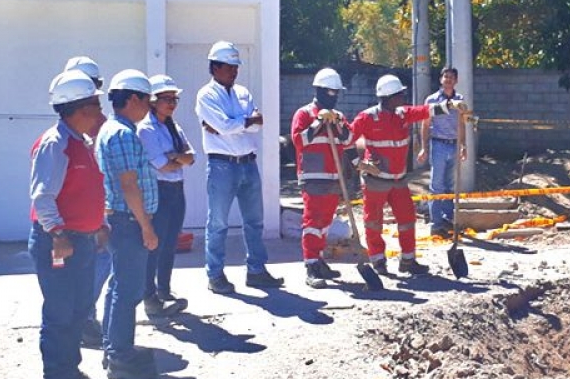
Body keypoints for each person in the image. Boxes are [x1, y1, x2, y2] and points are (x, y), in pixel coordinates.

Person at [28, 69, 109, 379]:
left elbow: (88, 190)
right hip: (59, 243)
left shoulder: (82, 141)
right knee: (60, 315)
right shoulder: (55, 143)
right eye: (95, 104)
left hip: (82, 241)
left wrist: (99, 224)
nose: (99, 112)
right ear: (78, 108)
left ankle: (71, 374)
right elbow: (42, 196)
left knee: (77, 310)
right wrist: (58, 235)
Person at [349, 74, 469, 275]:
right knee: (373, 222)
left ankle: (408, 261)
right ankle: (378, 261)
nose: (403, 98)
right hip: (375, 182)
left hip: (399, 181)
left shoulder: (402, 114)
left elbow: (426, 110)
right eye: (399, 95)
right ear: (387, 97)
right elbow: (346, 140)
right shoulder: (367, 117)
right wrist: (359, 164)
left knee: (407, 219)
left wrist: (452, 106)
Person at [195, 40, 282, 294]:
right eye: (229, 67)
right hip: (222, 165)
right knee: (218, 223)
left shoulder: (243, 92)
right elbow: (224, 126)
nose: (234, 71)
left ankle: (256, 270)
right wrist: (239, 123)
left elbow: (257, 123)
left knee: (254, 221)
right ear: (215, 68)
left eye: (235, 67)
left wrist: (233, 125)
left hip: (247, 163)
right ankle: (215, 274)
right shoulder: (206, 95)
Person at [96, 69, 160, 379]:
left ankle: (113, 349)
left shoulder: (115, 130)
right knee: (128, 289)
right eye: (147, 100)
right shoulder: (121, 134)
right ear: (133, 99)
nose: (150, 107)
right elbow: (129, 184)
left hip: (123, 220)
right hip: (128, 222)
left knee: (119, 286)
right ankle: (120, 355)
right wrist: (146, 227)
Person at [62, 56, 110, 349]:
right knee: (97, 261)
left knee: (98, 261)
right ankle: (81, 320)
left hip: (91, 207)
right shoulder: (70, 128)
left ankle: (82, 318)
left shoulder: (90, 122)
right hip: (80, 212)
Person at [136, 74, 193, 316]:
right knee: (154, 245)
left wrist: (174, 156)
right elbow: (162, 165)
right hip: (159, 190)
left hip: (176, 190)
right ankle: (149, 297)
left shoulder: (174, 127)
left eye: (174, 99)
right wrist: (174, 158)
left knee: (170, 244)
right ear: (152, 101)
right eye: (166, 99)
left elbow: (190, 157)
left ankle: (164, 291)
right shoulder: (146, 129)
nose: (171, 103)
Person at [290, 68, 353, 288]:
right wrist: (318, 123)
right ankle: (311, 265)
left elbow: (348, 139)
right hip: (313, 176)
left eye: (337, 93)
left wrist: (336, 123)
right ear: (319, 91)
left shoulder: (339, 116)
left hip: (334, 176)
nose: (334, 96)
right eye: (330, 92)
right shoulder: (304, 114)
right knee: (312, 222)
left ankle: (320, 259)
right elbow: (299, 141)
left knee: (325, 222)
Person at [418, 67, 467, 236]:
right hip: (438, 145)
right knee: (436, 185)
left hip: (453, 145)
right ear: (441, 79)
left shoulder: (460, 100)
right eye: (445, 77)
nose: (448, 80)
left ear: (456, 80)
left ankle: (448, 220)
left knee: (449, 185)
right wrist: (424, 147)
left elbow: (462, 124)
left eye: (451, 77)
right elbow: (425, 124)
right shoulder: (431, 100)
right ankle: (436, 223)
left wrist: (463, 145)